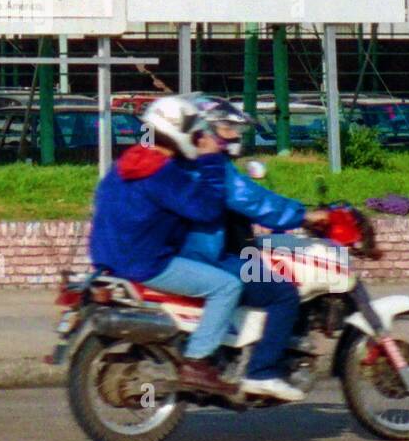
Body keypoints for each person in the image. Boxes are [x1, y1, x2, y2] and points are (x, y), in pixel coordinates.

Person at [88, 94, 330, 402]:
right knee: (234, 286)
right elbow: (208, 209)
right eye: (224, 128)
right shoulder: (167, 171)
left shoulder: (126, 163)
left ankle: (239, 353)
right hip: (149, 262)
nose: (220, 136)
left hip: (108, 258)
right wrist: (211, 160)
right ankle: (208, 363)